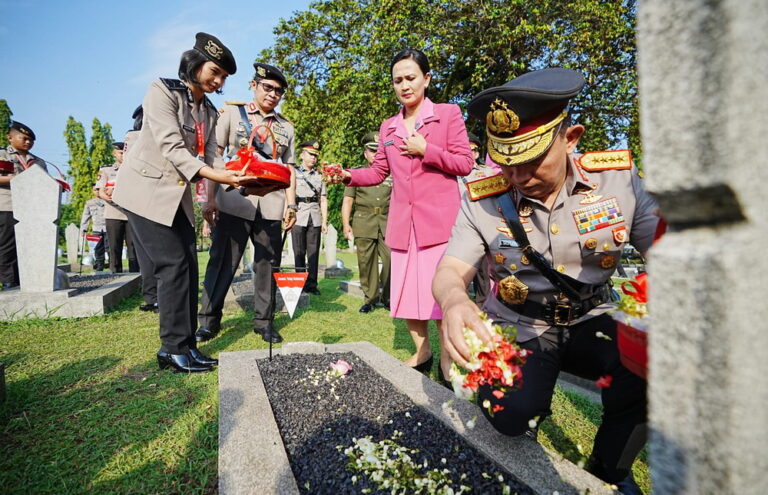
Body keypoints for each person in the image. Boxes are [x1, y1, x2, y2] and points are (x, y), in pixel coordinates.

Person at [432, 68, 657, 494]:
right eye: (508, 162)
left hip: (592, 316)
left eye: (532, 160)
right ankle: (526, 424)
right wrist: (455, 302)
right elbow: (450, 270)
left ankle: (609, 470)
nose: (518, 176)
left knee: (657, 364)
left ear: (570, 138)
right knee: (513, 414)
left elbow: (669, 253)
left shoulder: (619, 182)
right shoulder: (482, 199)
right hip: (519, 324)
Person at [112, 32, 250, 373]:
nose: (217, 81)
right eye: (214, 71)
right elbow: (172, 147)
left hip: (176, 198)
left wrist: (240, 174)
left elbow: (212, 157)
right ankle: (171, 349)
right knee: (172, 265)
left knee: (188, 266)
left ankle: (187, 345)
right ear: (195, 63)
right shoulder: (162, 91)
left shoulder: (210, 111)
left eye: (223, 77)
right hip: (144, 192)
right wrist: (219, 176)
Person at [332, 49, 474, 372]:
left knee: (442, 295)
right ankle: (423, 353)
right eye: (398, 80)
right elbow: (379, 172)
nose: (404, 85)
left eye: (411, 78)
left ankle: (449, 360)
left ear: (427, 78)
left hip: (439, 224)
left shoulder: (448, 115)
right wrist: (348, 175)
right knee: (410, 294)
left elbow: (465, 163)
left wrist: (428, 150)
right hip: (403, 225)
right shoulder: (389, 127)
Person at [197, 62, 297, 344]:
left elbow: (290, 170)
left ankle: (264, 322)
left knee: (268, 264)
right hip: (234, 201)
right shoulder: (231, 113)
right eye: (267, 88)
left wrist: (292, 206)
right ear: (254, 86)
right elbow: (213, 158)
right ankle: (209, 321)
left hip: (271, 203)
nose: (272, 94)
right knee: (222, 262)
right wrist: (209, 198)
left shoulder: (286, 127)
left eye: (278, 91)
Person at [341, 131, 391, 313]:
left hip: (387, 222)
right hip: (364, 221)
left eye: (379, 151)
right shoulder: (356, 173)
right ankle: (370, 299)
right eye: (372, 151)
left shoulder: (392, 173)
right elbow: (348, 201)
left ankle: (388, 297)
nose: (375, 154)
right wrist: (346, 225)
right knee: (365, 262)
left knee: (391, 259)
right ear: (365, 153)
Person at [0, 121, 47, 288]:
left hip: (31, 209)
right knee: (8, 245)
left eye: (31, 140)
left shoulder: (38, 161)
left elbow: (44, 183)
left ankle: (29, 277)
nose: (28, 142)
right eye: (24, 138)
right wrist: (17, 179)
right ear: (10, 137)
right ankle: (9, 281)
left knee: (30, 245)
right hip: (8, 205)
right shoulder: (3, 156)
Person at [123, 105, 158, 312]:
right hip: (141, 200)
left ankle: (156, 296)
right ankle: (152, 297)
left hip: (153, 200)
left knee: (153, 254)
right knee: (146, 253)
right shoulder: (135, 136)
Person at [457, 132, 496, 306]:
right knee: (459, 272)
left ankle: (484, 307)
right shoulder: (450, 174)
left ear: (477, 153)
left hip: (481, 229)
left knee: (483, 274)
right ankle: (460, 306)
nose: (469, 153)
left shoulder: (487, 173)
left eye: (472, 150)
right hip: (457, 230)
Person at [96, 142, 139, 273]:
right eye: (120, 153)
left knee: (133, 248)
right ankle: (115, 274)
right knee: (114, 247)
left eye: (126, 152)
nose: (123, 155)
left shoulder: (135, 169)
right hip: (113, 214)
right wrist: (107, 194)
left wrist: (115, 191)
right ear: (114, 154)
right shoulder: (106, 170)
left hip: (132, 213)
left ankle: (135, 276)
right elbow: (99, 191)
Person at [292, 140, 327, 296]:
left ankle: (312, 285)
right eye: (311, 154)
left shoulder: (320, 175)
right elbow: (289, 195)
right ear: (302, 155)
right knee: (298, 251)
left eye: (315, 156)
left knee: (313, 252)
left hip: (315, 215)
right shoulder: (294, 173)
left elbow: (323, 199)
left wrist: (325, 220)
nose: (313, 158)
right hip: (298, 214)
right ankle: (299, 283)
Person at [79, 185, 107, 271]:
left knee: (110, 248)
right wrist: (83, 228)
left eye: (99, 189)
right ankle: (99, 265)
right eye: (95, 190)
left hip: (108, 228)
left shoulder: (108, 201)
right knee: (98, 248)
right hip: (96, 228)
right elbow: (86, 216)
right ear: (92, 191)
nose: (97, 191)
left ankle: (113, 266)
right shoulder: (89, 203)